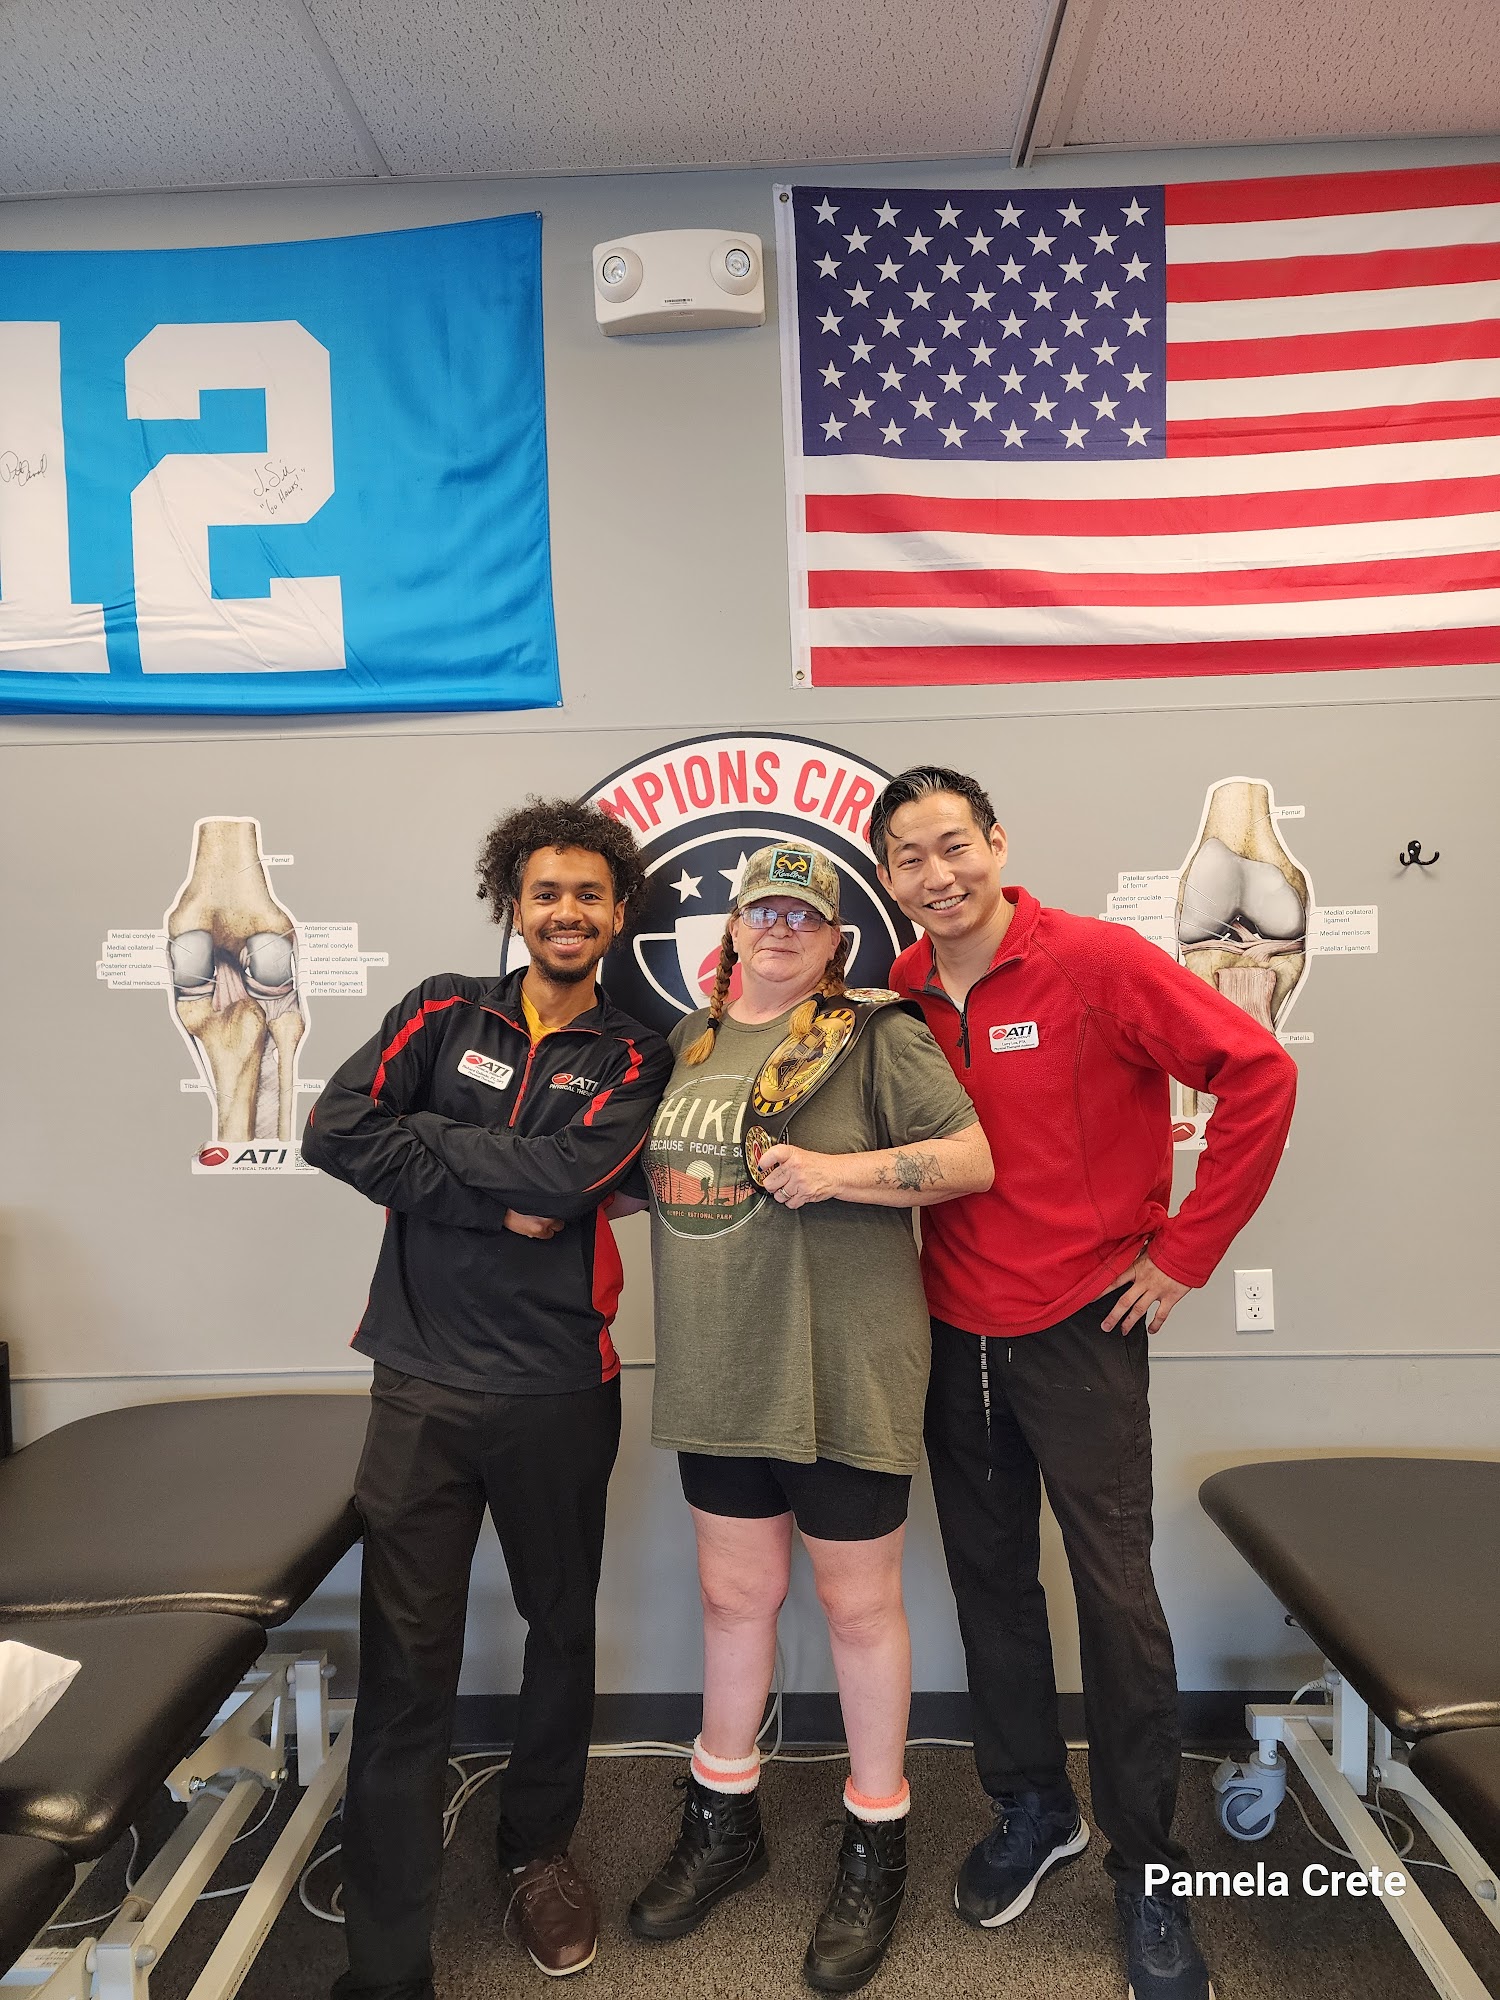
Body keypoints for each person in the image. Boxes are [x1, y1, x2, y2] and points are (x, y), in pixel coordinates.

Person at [868, 766, 1298, 2000]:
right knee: (990, 1581)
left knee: (1115, 1598)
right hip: (952, 1329)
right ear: (889, 876)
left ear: (997, 842)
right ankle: (1033, 1805)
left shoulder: (1093, 961)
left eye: (955, 844)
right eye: (910, 857)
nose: (938, 874)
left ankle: (1147, 1864)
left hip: (1082, 1325)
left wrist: (1187, 1252)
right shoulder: (901, 988)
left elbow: (1260, 1074)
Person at [302, 799, 672, 1999]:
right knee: (406, 1661)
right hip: (420, 1380)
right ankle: (385, 1950)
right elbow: (335, 1127)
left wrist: (432, 1138)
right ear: (513, 902)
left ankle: (536, 1849)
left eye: (589, 894)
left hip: (560, 1384)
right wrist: (488, 1191)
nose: (567, 912)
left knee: (560, 1629)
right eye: (546, 891)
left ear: (618, 912)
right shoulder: (440, 1007)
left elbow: (571, 1180)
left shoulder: (637, 1052)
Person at [627, 841, 993, 1994]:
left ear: (836, 940)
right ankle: (723, 1818)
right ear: (732, 928)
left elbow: (972, 1158)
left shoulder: (873, 1032)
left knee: (856, 1606)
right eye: (763, 910)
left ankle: (876, 1837)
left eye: (806, 914)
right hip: (719, 1360)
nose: (781, 928)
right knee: (734, 1597)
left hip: (841, 1362)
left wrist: (837, 1174)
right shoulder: (688, 1041)